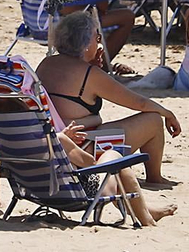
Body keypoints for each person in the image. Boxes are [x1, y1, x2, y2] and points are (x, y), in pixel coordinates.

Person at [37, 12, 180, 185]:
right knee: (153, 120)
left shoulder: (46, 64)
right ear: (85, 44)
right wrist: (168, 113)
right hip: (81, 151)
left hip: (53, 147)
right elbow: (138, 102)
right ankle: (155, 178)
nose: (99, 42)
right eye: (96, 37)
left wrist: (94, 67)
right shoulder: (89, 74)